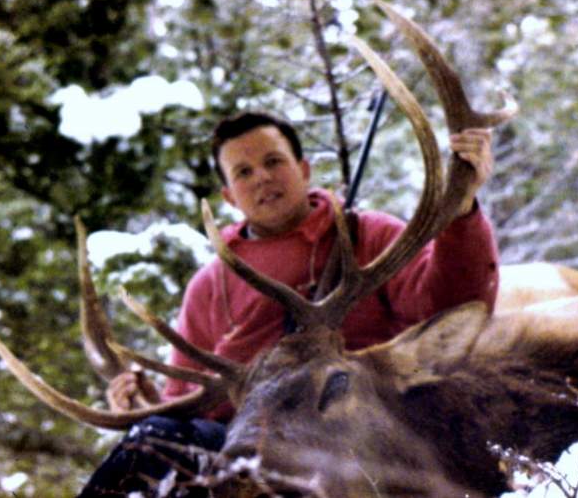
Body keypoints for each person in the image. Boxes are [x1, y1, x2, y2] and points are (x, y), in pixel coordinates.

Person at [78, 111, 499, 496]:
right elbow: (189, 404)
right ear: (229, 196)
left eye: (273, 161)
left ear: (303, 169)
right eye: (244, 171)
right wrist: (150, 404)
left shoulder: (367, 236)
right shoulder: (209, 287)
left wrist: (461, 214)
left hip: (359, 433)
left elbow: (453, 304)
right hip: (249, 449)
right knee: (152, 439)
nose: (261, 177)